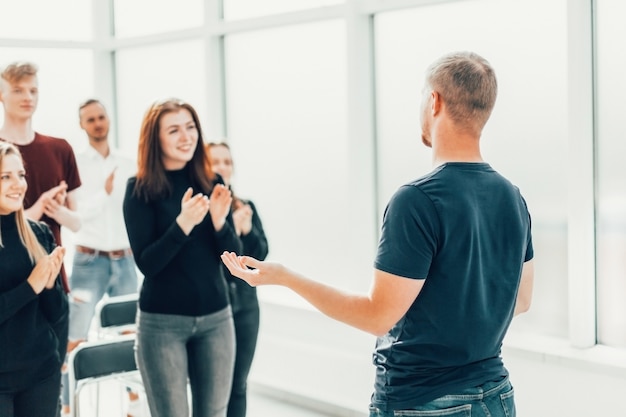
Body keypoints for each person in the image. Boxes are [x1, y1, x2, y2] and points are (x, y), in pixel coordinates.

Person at [221, 51, 534, 417]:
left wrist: (285, 277)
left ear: (434, 101)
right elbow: (522, 299)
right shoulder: (512, 197)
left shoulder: (417, 199)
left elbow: (376, 316)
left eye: (422, 95)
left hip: (425, 402)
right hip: (496, 394)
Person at [123, 99, 243, 417]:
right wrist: (184, 224)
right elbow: (148, 265)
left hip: (217, 321)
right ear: (155, 139)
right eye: (174, 130)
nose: (186, 136)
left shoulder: (212, 181)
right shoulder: (139, 189)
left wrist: (219, 222)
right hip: (162, 326)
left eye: (190, 127)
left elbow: (235, 263)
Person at [60, 99, 140, 416]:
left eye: (101, 117)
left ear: (109, 119)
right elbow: (76, 215)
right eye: (90, 119)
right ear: (82, 125)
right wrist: (104, 194)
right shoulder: (75, 164)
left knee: (132, 335)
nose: (97, 123)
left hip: (125, 260)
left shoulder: (129, 163)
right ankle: (67, 404)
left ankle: (134, 402)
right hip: (88, 261)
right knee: (74, 337)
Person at [0, 61, 81, 296]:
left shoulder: (60, 149)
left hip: (52, 277)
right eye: (18, 90)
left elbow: (76, 223)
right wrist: (40, 206)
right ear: (2, 95)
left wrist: (56, 210)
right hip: (8, 285)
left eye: (33, 90)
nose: (28, 97)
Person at [0, 142, 68, 417]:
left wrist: (49, 284)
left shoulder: (39, 233)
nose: (18, 184)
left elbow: (58, 313)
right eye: (5, 176)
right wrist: (30, 287)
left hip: (41, 375)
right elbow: (30, 290)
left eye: (21, 175)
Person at [207, 142, 269, 417]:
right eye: (215, 162)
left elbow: (261, 255)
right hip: (213, 309)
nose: (222, 167)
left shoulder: (246, 206)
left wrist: (245, 231)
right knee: (211, 388)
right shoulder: (199, 210)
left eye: (227, 162)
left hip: (246, 308)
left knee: (238, 385)